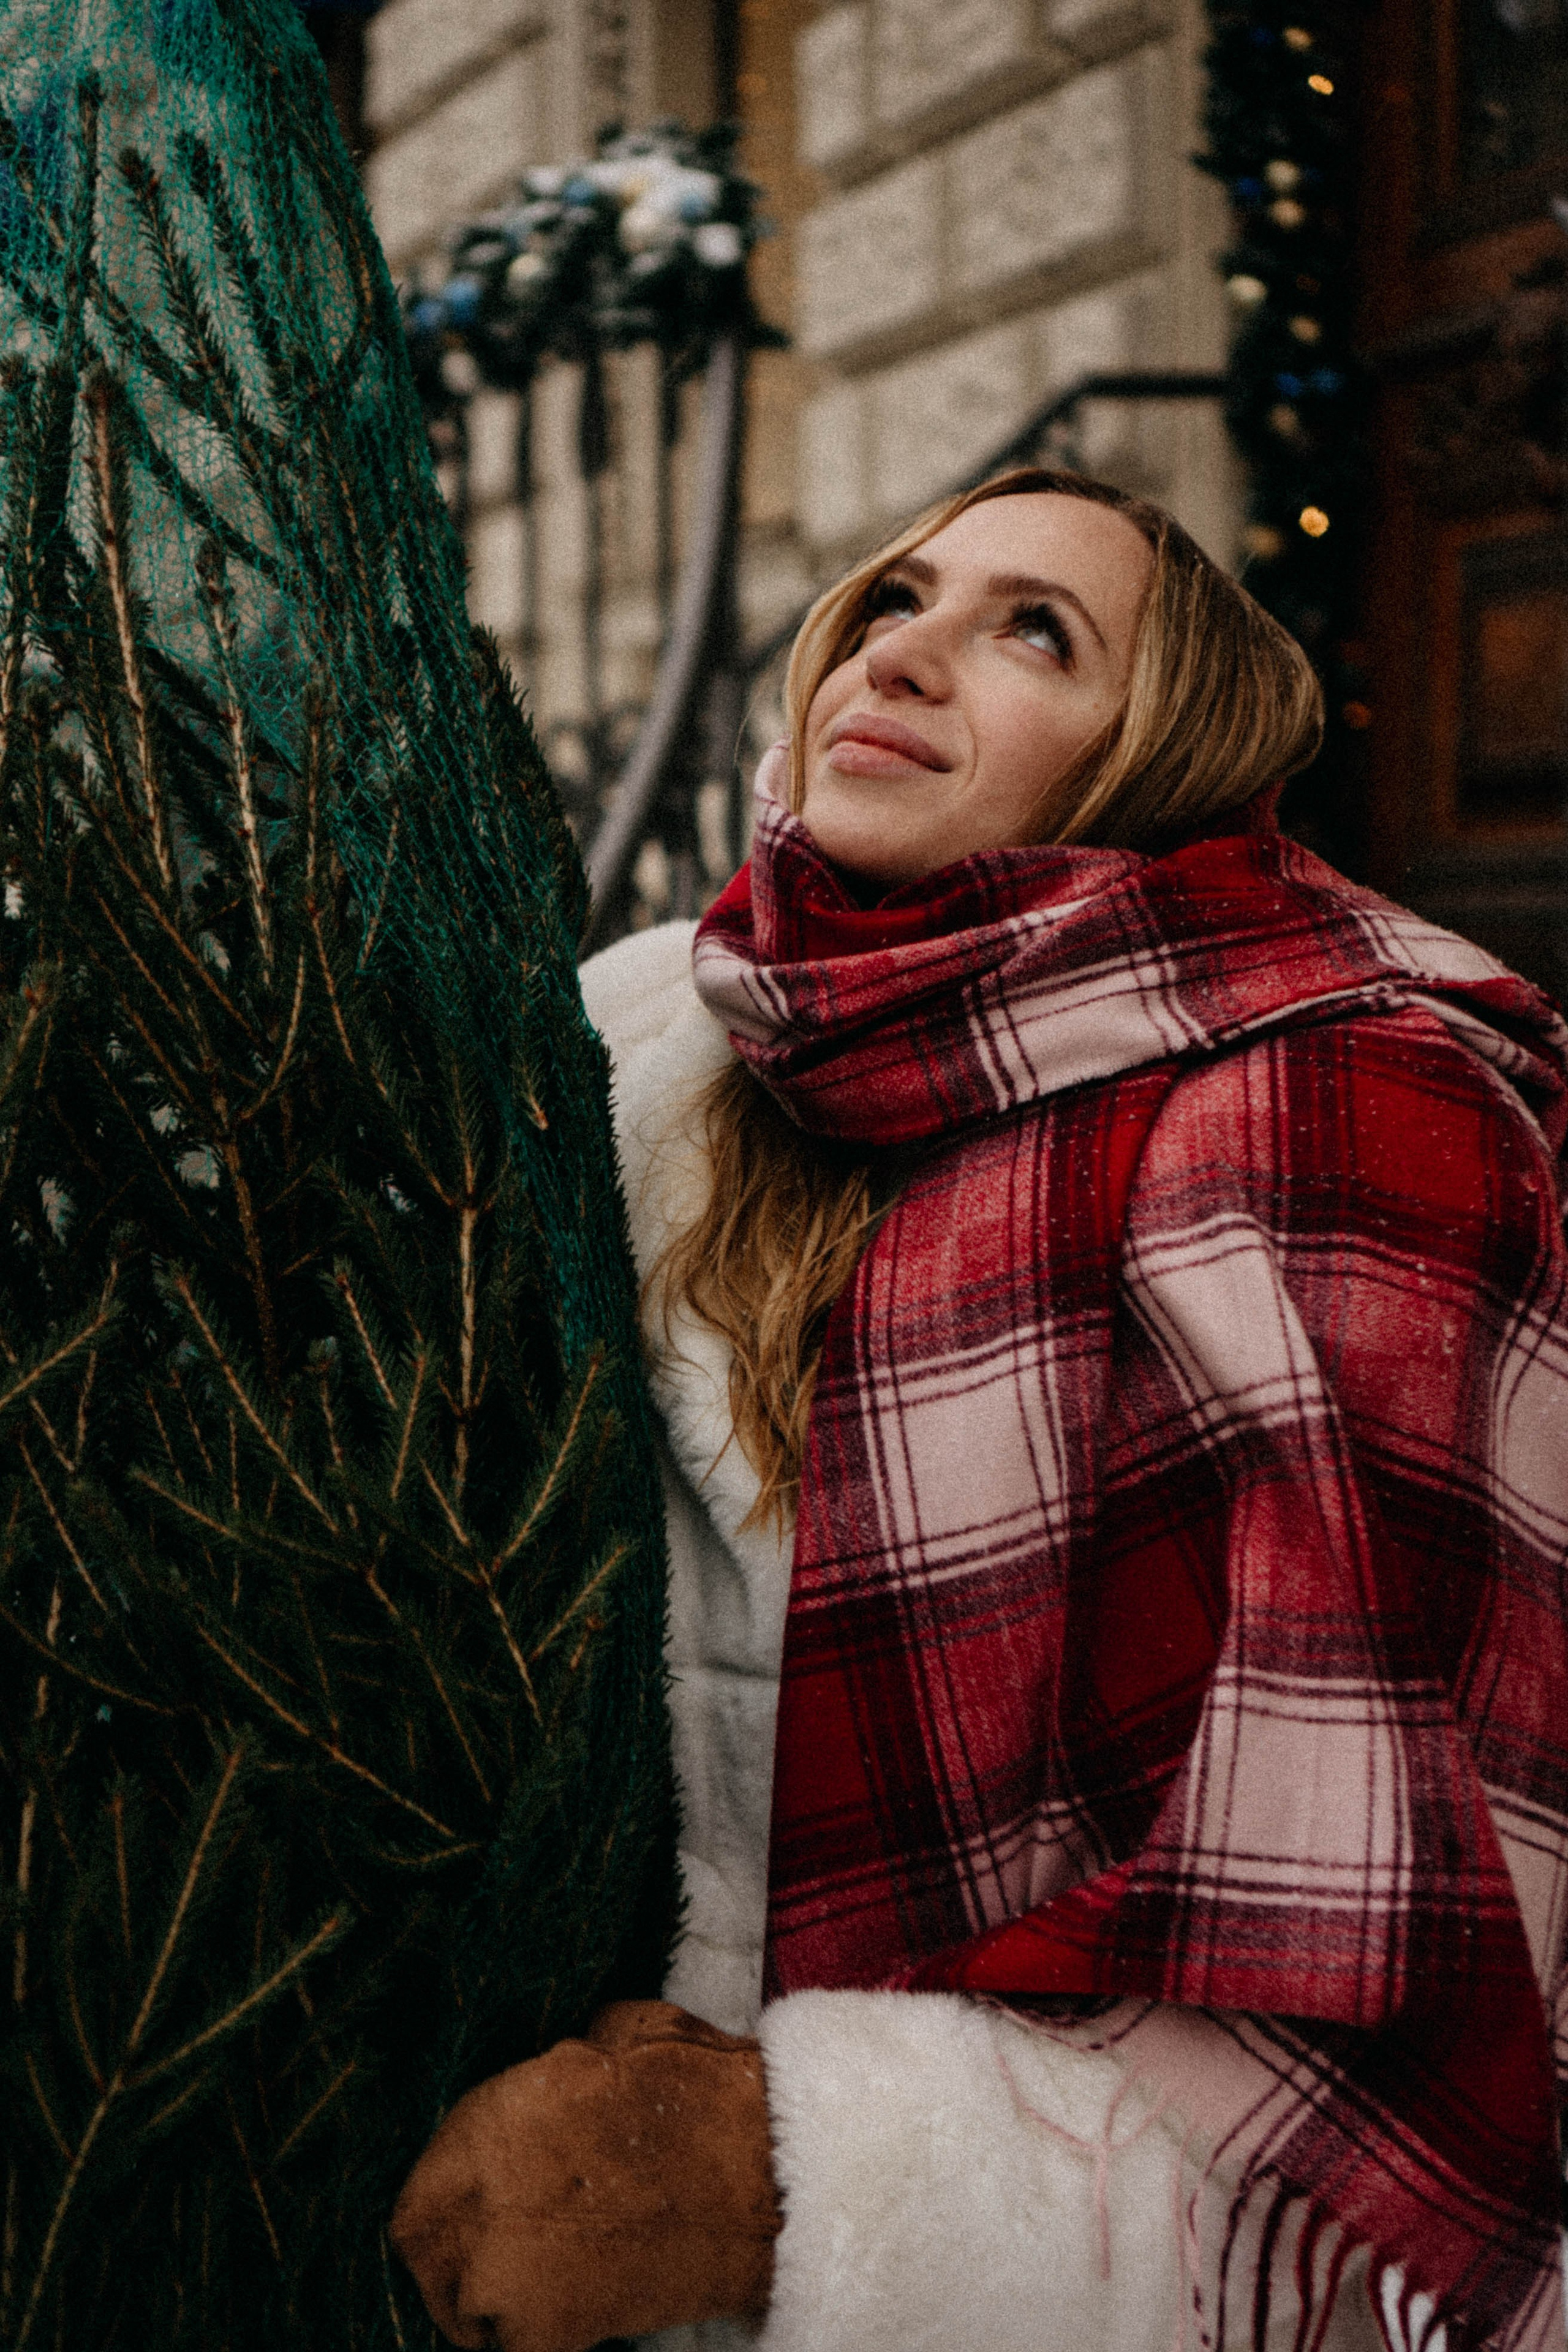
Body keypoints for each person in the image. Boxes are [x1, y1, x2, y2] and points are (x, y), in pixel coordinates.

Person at [390, 469, 1568, 2352]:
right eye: (897, 596)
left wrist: (802, 2187)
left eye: (1038, 631)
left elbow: (1391, 1943)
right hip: (520, 2190)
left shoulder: (1353, 1118)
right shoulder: (654, 1031)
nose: (907, 651)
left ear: (1158, 762)